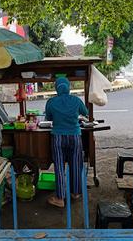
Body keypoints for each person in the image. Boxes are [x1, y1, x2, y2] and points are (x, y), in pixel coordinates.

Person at [45, 77, 89, 208]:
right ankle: (75, 193)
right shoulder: (76, 100)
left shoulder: (51, 102)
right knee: (76, 164)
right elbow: (85, 112)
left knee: (59, 167)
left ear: (56, 88)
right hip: (75, 136)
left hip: (58, 136)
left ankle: (60, 198)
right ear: (68, 87)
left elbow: (49, 117)